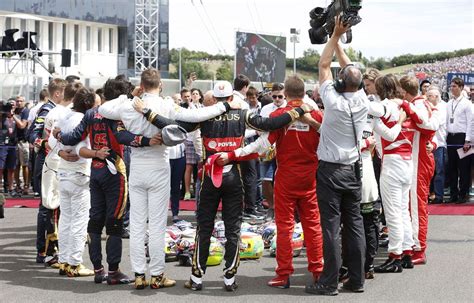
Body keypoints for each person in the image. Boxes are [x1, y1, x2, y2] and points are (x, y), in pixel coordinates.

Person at [131, 80, 310, 292]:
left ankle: (197, 278)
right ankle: (229, 278)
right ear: (231, 98)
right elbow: (270, 124)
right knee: (233, 228)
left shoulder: (205, 115)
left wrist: (147, 112)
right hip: (234, 175)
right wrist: (297, 111)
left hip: (209, 178)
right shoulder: (243, 114)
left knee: (204, 227)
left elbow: (172, 128)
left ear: (214, 99)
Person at [98, 68, 241, 290]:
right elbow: (195, 116)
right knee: (156, 225)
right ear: (161, 85)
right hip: (159, 166)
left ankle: (139, 274)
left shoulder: (128, 105)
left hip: (137, 166)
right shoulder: (166, 104)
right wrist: (224, 105)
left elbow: (103, 108)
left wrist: (129, 95)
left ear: (142, 85)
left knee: (136, 223)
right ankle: (156, 275)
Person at [221, 75, 324, 289]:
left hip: (286, 177)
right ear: (304, 93)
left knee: (285, 226)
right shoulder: (316, 115)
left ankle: (284, 274)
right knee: (313, 225)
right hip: (310, 177)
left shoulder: (279, 116)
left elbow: (261, 144)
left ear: (285, 94)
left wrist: (232, 155)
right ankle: (317, 271)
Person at [305, 17, 384, 296]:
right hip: (353, 169)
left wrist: (335, 36)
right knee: (355, 226)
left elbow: (324, 65)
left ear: (340, 82)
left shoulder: (332, 99)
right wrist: (338, 36)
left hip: (330, 170)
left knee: (330, 228)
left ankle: (329, 282)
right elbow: (348, 70)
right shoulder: (363, 99)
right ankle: (357, 279)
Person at [55, 78, 159, 285]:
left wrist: (58, 134)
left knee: (95, 220)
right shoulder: (119, 112)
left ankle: (98, 269)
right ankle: (113, 272)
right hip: (114, 172)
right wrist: (147, 141)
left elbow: (72, 137)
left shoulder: (91, 114)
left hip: (95, 170)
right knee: (114, 222)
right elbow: (124, 138)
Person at [49, 87, 97, 278]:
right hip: (79, 173)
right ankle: (74, 263)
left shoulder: (65, 116)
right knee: (79, 220)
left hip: (63, 172)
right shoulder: (83, 120)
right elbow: (82, 145)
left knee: (66, 219)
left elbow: (52, 139)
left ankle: (64, 261)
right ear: (89, 104)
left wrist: (60, 151)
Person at [399, 75, 440, 265]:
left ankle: (419, 248)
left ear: (405, 91)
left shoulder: (418, 105)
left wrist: (407, 109)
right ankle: (413, 244)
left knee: (416, 207)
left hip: (419, 161)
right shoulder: (421, 104)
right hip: (417, 160)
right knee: (412, 205)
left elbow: (430, 126)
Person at [29, 78, 67, 266]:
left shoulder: (59, 110)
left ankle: (53, 249)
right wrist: (48, 145)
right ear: (58, 93)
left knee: (55, 207)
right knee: (47, 207)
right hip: (46, 162)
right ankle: (43, 250)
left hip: (55, 161)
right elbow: (32, 135)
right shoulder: (47, 110)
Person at [258, 82, 287, 221]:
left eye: (280, 97)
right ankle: (271, 207)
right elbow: (259, 127)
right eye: (274, 96)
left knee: (284, 181)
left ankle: (284, 209)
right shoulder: (265, 109)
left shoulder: (289, 108)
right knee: (266, 180)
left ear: (285, 95)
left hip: (284, 149)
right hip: (267, 147)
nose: (277, 99)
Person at [446, 77, 472, 204]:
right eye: (451, 86)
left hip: (462, 138)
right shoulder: (449, 103)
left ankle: (463, 194)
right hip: (451, 137)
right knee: (452, 168)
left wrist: (468, 140)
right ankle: (453, 194)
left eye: (455, 86)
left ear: (461, 88)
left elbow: (471, 123)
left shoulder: (467, 104)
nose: (452, 88)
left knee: (464, 168)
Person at [427, 86, 447, 204]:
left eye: (430, 96)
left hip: (439, 143)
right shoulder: (426, 107)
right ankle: (429, 194)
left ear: (436, 97)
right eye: (427, 95)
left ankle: (439, 195)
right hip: (428, 143)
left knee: (439, 171)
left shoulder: (442, 107)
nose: (428, 98)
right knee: (428, 171)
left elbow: (435, 124)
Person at [13, 95, 30, 196]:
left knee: (25, 165)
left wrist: (13, 116)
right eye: (17, 101)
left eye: (21, 101)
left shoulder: (25, 111)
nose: (19, 103)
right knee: (15, 165)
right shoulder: (14, 111)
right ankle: (17, 185)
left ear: (24, 102)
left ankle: (26, 186)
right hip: (14, 141)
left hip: (23, 141)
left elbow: (22, 125)